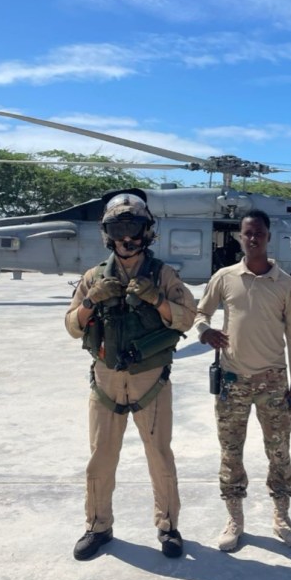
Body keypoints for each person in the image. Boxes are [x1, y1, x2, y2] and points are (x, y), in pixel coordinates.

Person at [65, 190, 197, 561]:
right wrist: (91, 300)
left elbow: (188, 317)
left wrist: (157, 299)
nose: (126, 238)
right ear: (107, 234)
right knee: (101, 458)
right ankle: (98, 526)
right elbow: (72, 326)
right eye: (118, 229)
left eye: (134, 228)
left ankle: (168, 526)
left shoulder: (163, 275)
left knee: (160, 456)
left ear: (146, 231)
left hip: (150, 380)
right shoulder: (93, 277)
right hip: (106, 382)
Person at [195, 210, 291, 552]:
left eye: (258, 233)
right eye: (247, 233)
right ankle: (234, 519)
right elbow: (201, 312)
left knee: (279, 452)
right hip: (233, 381)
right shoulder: (225, 277)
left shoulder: (284, 283)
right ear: (240, 237)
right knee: (230, 452)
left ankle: (282, 517)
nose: (253, 238)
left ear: (268, 236)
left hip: (273, 381)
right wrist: (205, 331)